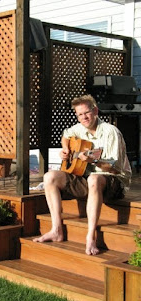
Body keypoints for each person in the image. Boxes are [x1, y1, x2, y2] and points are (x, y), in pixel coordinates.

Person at [33, 94, 132, 255]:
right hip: (89, 180)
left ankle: (90, 237)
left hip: (115, 183)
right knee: (49, 177)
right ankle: (56, 230)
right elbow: (66, 134)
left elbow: (116, 169)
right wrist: (66, 149)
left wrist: (92, 161)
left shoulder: (111, 132)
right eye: (80, 114)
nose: (84, 117)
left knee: (94, 178)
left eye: (86, 113)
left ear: (95, 111)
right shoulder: (79, 128)